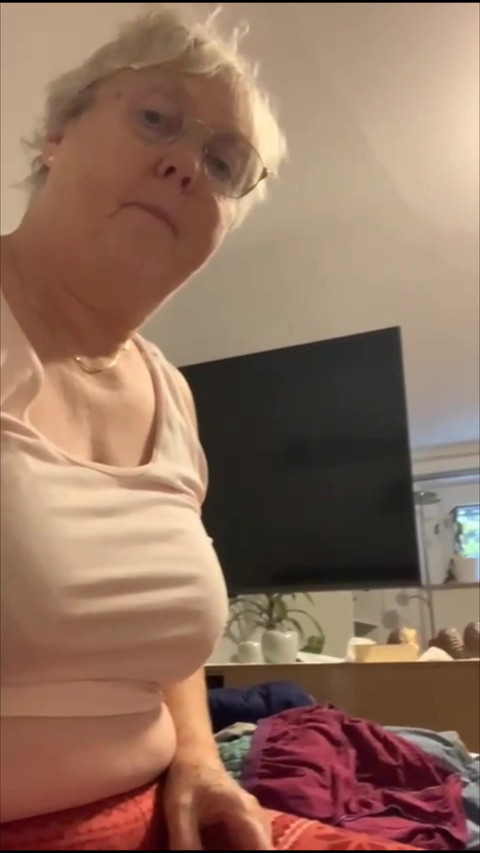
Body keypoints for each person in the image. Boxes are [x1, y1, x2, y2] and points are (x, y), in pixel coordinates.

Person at [0, 7, 419, 851]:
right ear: (56, 135)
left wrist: (198, 756)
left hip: (163, 814)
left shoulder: (172, 395)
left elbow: (166, 642)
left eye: (224, 164)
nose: (186, 164)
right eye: (156, 117)